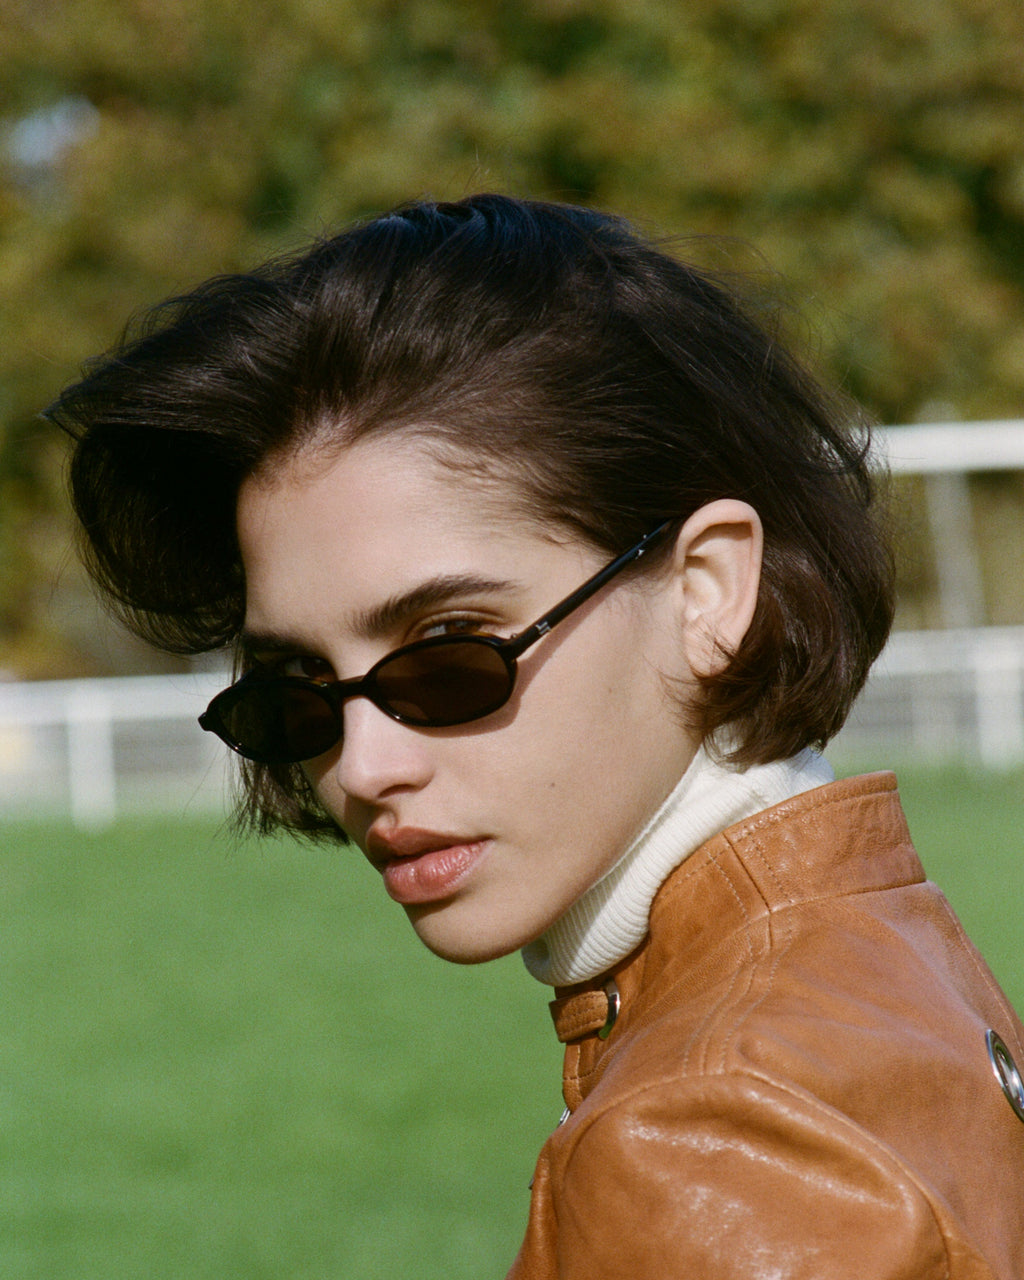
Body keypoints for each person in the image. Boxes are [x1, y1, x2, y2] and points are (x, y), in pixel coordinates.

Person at [49, 194, 1024, 1278]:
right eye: (299, 692)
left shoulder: (716, 1139)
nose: (364, 768)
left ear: (705, 589)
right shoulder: (879, 944)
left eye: (449, 651)